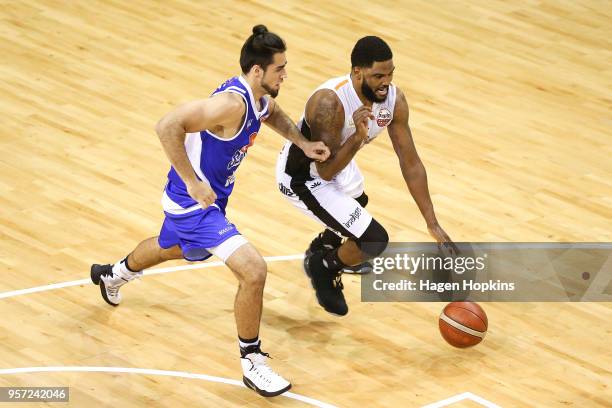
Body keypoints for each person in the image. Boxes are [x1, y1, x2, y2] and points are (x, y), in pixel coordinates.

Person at [90, 25, 330, 397]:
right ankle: (252, 362)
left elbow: (273, 112)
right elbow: (167, 125)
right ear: (256, 72)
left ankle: (114, 274)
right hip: (194, 205)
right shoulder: (231, 105)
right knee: (253, 271)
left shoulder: (258, 97)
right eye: (279, 68)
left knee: (173, 247)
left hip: (208, 202)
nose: (285, 74)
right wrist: (191, 181)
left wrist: (303, 142)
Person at [275, 36, 456, 316]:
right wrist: (358, 137)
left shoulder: (393, 100)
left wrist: (432, 223)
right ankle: (324, 266)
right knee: (374, 240)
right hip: (304, 179)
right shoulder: (329, 103)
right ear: (357, 72)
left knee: (359, 199)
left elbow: (411, 163)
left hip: (339, 164)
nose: (387, 82)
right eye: (378, 75)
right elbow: (325, 170)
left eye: (391, 73)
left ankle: (324, 244)